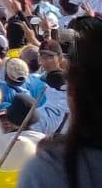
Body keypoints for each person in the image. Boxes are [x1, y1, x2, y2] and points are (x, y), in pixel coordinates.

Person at [16, 19, 102, 186]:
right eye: (42, 55)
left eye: (49, 56)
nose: (44, 60)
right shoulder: (33, 80)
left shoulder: (47, 171)